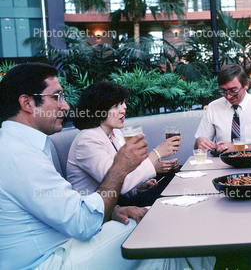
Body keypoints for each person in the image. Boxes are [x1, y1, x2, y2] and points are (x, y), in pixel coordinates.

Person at [0, 62, 215, 270]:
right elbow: (83, 222)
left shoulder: (21, 145)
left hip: (62, 241)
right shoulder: (19, 154)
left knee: (156, 257)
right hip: (49, 260)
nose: (65, 106)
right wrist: (121, 168)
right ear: (27, 103)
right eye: (57, 97)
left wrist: (113, 211)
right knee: (161, 218)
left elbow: (66, 207)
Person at [67, 81, 179, 207]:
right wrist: (157, 153)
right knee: (175, 191)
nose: (124, 107)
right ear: (99, 109)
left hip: (118, 203)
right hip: (99, 212)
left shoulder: (113, 134)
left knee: (176, 176)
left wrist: (138, 188)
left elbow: (124, 178)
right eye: (117, 105)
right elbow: (118, 182)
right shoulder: (87, 140)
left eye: (124, 102)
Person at [195, 63, 251, 153]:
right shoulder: (213, 107)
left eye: (233, 91)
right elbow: (198, 148)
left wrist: (240, 147)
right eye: (224, 91)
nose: (229, 96)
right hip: (222, 164)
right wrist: (199, 142)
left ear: (246, 85)